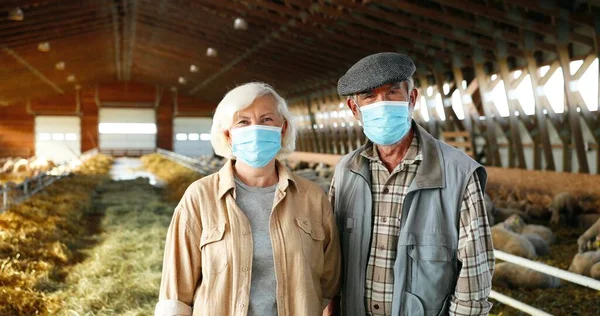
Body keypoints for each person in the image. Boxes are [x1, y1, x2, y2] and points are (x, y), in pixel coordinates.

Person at [327, 53, 494, 316]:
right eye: (369, 96)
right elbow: (332, 257)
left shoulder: (459, 173)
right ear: (354, 108)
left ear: (411, 99)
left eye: (393, 92)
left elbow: (474, 276)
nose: (382, 104)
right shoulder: (346, 171)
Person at [155, 82, 341, 316]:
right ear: (228, 134)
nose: (256, 129)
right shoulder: (199, 196)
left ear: (283, 129)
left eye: (266, 120)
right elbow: (176, 290)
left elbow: (329, 280)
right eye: (243, 121)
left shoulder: (313, 197)